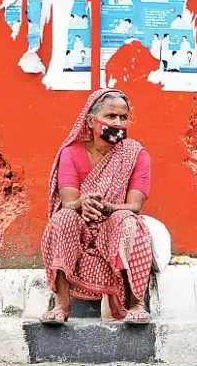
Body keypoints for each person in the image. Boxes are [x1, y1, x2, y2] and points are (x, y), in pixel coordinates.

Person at [41, 89, 153, 325]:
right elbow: (68, 199)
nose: (118, 123)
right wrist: (82, 204)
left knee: (128, 220)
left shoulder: (136, 154)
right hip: (82, 225)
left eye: (123, 118)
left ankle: (135, 303)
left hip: (115, 221)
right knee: (64, 217)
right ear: (91, 121)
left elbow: (135, 205)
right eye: (111, 116)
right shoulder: (70, 154)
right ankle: (61, 304)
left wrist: (109, 208)